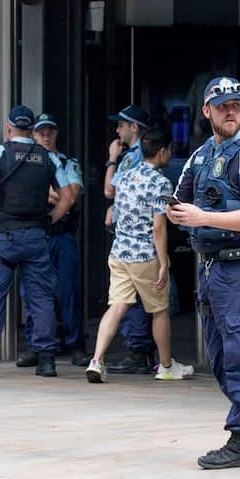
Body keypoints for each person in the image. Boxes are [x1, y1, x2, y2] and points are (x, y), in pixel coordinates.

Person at [168, 76, 240, 470]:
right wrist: (176, 211)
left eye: (237, 105)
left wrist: (204, 216)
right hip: (211, 268)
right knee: (219, 356)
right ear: (207, 111)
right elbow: (181, 202)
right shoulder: (200, 156)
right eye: (223, 105)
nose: (232, 112)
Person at [0, 106, 74, 380]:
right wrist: (50, 220)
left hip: (3, 238)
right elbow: (68, 197)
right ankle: (46, 360)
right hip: (36, 236)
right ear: (32, 130)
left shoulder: (0, 151)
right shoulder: (47, 157)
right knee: (41, 299)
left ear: (9, 128)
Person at [87, 127, 194, 383]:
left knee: (116, 307)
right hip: (145, 254)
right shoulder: (160, 182)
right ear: (161, 152)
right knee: (159, 310)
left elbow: (112, 199)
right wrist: (163, 261)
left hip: (119, 251)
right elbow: (158, 227)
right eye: (169, 150)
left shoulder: (125, 175)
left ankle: (97, 360)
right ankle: (166, 365)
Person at [23, 113, 86, 366]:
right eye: (41, 132)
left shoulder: (67, 162)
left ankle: (76, 344)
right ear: (33, 135)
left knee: (68, 290)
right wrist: (58, 194)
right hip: (36, 235)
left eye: (50, 131)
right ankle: (36, 346)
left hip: (62, 235)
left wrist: (48, 194)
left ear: (56, 133)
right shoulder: (25, 164)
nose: (46, 136)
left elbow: (73, 195)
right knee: (32, 293)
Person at [103, 103, 157, 374]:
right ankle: (145, 351)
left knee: (128, 297)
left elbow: (109, 191)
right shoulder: (145, 155)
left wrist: (112, 158)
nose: (117, 130)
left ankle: (138, 351)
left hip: (132, 239)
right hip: (145, 237)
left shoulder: (131, 156)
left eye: (121, 125)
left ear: (134, 127)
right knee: (145, 298)